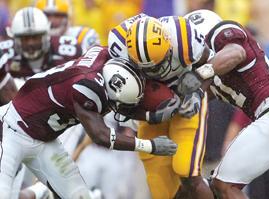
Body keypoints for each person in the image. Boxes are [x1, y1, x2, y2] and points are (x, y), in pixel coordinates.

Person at [0, 45, 178, 199]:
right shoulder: (87, 89)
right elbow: (102, 137)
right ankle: (38, 192)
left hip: (45, 141)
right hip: (9, 131)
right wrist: (150, 146)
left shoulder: (106, 57)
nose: (121, 108)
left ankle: (38, 192)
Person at [180, 9, 269, 198]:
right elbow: (195, 96)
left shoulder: (221, 35)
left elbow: (236, 52)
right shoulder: (213, 72)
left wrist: (198, 75)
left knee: (223, 186)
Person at [109, 15, 213, 198]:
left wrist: (198, 92)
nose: (153, 72)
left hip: (185, 101)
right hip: (149, 107)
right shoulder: (119, 45)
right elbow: (117, 102)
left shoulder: (183, 37)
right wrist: (150, 116)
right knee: (159, 182)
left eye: (158, 64)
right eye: (146, 68)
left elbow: (211, 64)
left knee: (185, 169)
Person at [35, 0, 101, 53]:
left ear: (67, 17)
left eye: (57, 16)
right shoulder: (30, 39)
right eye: (47, 15)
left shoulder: (83, 35)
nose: (52, 20)